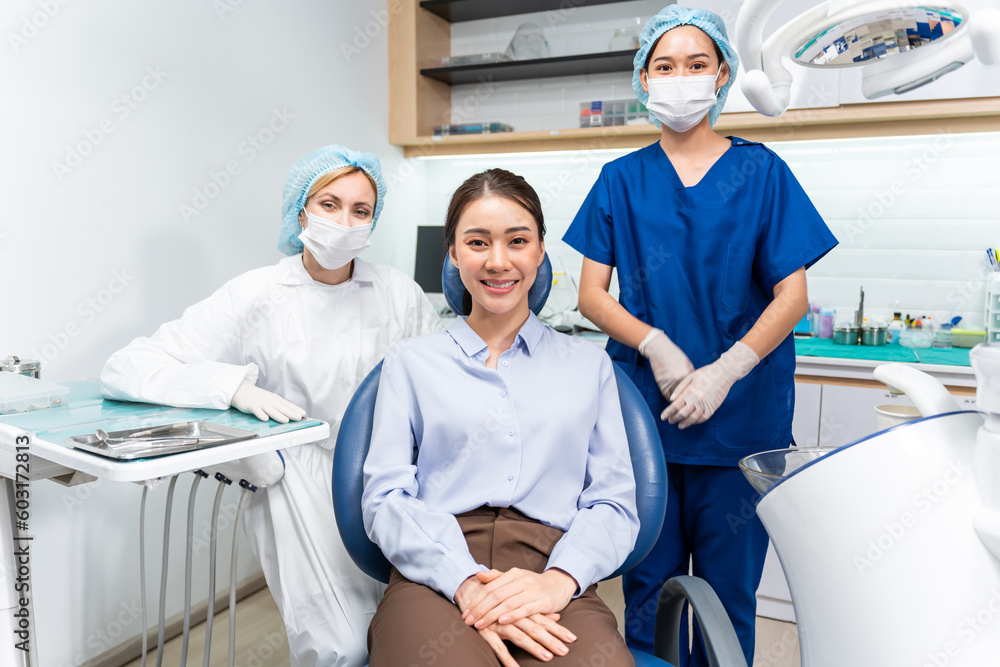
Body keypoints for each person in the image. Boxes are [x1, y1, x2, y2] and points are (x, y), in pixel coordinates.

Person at [562, 6, 839, 666]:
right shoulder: (620, 180)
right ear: (644, 79)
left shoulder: (762, 172)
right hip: (646, 424)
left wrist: (726, 368)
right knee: (647, 593)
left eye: (695, 64)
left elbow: (792, 294)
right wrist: (655, 344)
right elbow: (591, 294)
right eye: (664, 65)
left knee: (725, 599)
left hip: (740, 426)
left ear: (721, 76)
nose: (679, 77)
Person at [100, 145, 443, 667]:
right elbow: (126, 367)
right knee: (340, 647)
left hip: (387, 475)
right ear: (299, 210)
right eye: (329, 204)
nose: (344, 221)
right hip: (297, 480)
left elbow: (439, 381)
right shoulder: (257, 294)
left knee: (398, 631)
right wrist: (232, 387)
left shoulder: (397, 293)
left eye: (361, 210)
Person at [362, 168, 640, 666]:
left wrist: (558, 583)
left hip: (555, 567)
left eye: (517, 240)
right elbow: (385, 497)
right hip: (438, 568)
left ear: (540, 251)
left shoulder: (589, 366)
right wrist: (464, 583)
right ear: (452, 253)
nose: (498, 261)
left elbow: (613, 502)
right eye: (476, 242)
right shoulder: (410, 363)